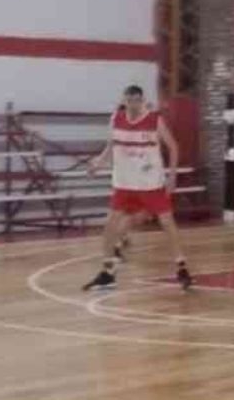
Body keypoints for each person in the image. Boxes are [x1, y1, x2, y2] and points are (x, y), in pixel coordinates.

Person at [82, 85, 192, 291]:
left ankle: (181, 266)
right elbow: (110, 146)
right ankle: (107, 272)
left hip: (150, 183)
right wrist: (98, 163)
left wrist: (172, 175)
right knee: (110, 226)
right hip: (124, 183)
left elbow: (173, 146)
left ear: (142, 101)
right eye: (129, 101)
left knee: (167, 223)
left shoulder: (154, 120)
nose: (133, 105)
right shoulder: (116, 119)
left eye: (136, 101)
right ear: (124, 101)